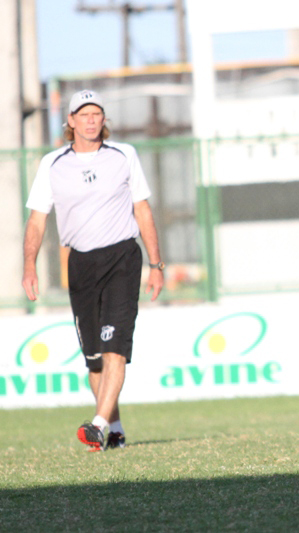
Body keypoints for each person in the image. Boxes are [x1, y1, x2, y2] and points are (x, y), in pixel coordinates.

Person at [22, 89, 165, 451]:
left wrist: (156, 263)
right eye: (83, 114)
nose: (90, 120)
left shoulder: (124, 155)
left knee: (115, 346)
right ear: (70, 121)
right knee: (95, 361)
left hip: (121, 259)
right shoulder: (52, 163)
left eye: (96, 114)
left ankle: (98, 424)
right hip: (81, 264)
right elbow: (37, 220)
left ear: (104, 119)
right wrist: (29, 266)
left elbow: (143, 210)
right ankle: (114, 427)